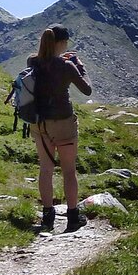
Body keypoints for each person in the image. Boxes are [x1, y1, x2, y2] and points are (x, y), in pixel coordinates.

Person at [27, 24, 93, 232]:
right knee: (68, 170)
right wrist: (79, 65)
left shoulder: (32, 61)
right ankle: (73, 217)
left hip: (39, 123)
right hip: (63, 122)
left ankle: (47, 218)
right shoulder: (67, 66)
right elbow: (87, 90)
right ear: (62, 43)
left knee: (45, 169)